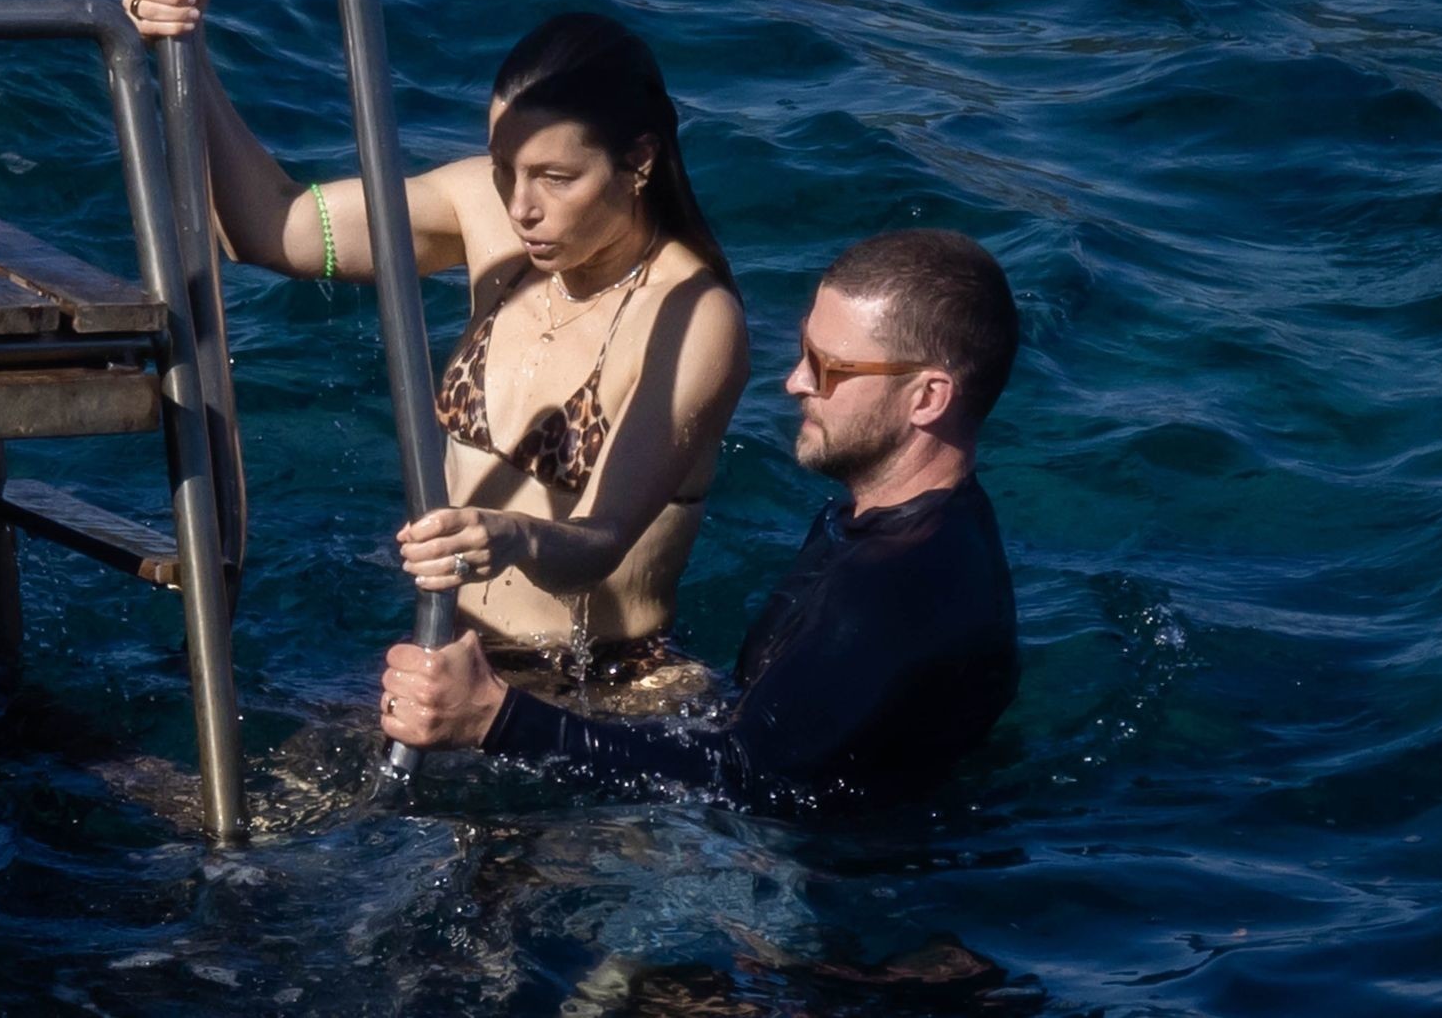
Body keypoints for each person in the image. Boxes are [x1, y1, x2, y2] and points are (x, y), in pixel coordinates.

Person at [121, 0, 748, 658]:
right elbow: (270, 228)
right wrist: (185, 54)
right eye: (505, 168)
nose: (521, 207)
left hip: (588, 682)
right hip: (449, 645)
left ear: (639, 162)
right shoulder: (484, 209)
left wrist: (513, 535)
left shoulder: (691, 316)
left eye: (556, 178)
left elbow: (600, 544)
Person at [378, 229, 1021, 814]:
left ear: (928, 397)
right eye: (804, 350)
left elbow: (747, 780)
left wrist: (496, 718)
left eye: (828, 368)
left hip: (812, 882)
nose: (795, 381)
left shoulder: (898, 587)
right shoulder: (887, 527)